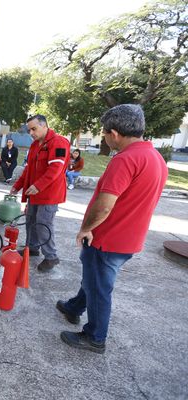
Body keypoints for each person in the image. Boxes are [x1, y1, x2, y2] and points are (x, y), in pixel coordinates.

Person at [57, 104, 167, 354]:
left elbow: (104, 206)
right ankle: (74, 307)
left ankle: (95, 337)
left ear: (114, 133)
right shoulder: (156, 158)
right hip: (129, 239)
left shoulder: (126, 159)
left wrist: (85, 228)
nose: (105, 138)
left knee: (99, 287)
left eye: (104, 134)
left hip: (107, 238)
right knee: (93, 278)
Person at [10, 114, 70, 272]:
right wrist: (18, 186)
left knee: (43, 224)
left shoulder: (59, 142)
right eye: (29, 130)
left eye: (34, 129)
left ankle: (51, 257)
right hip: (34, 192)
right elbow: (28, 169)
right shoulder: (35, 145)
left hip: (49, 194)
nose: (31, 133)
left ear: (44, 126)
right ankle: (33, 248)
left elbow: (56, 169)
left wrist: (39, 185)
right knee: (30, 221)